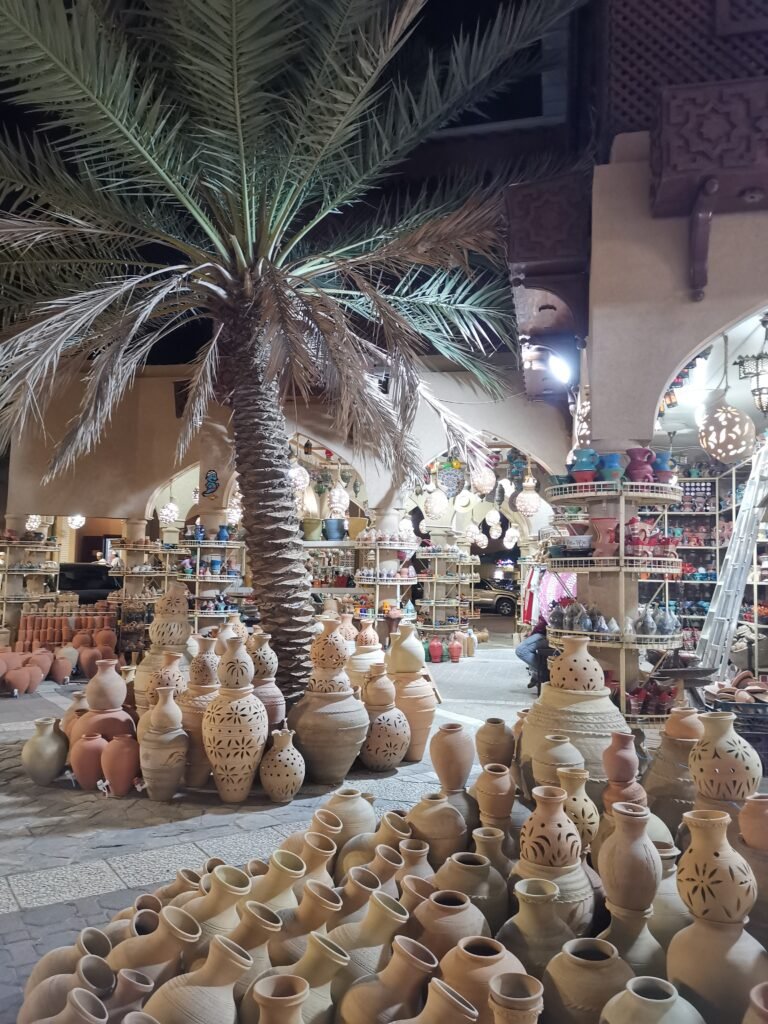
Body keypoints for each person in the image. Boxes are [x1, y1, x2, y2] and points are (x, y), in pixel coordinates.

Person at [516, 614, 548, 688]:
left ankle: (543, 671)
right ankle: (537, 673)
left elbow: (543, 622)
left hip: (545, 633)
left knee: (521, 650)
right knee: (524, 649)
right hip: (543, 632)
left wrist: (533, 633)